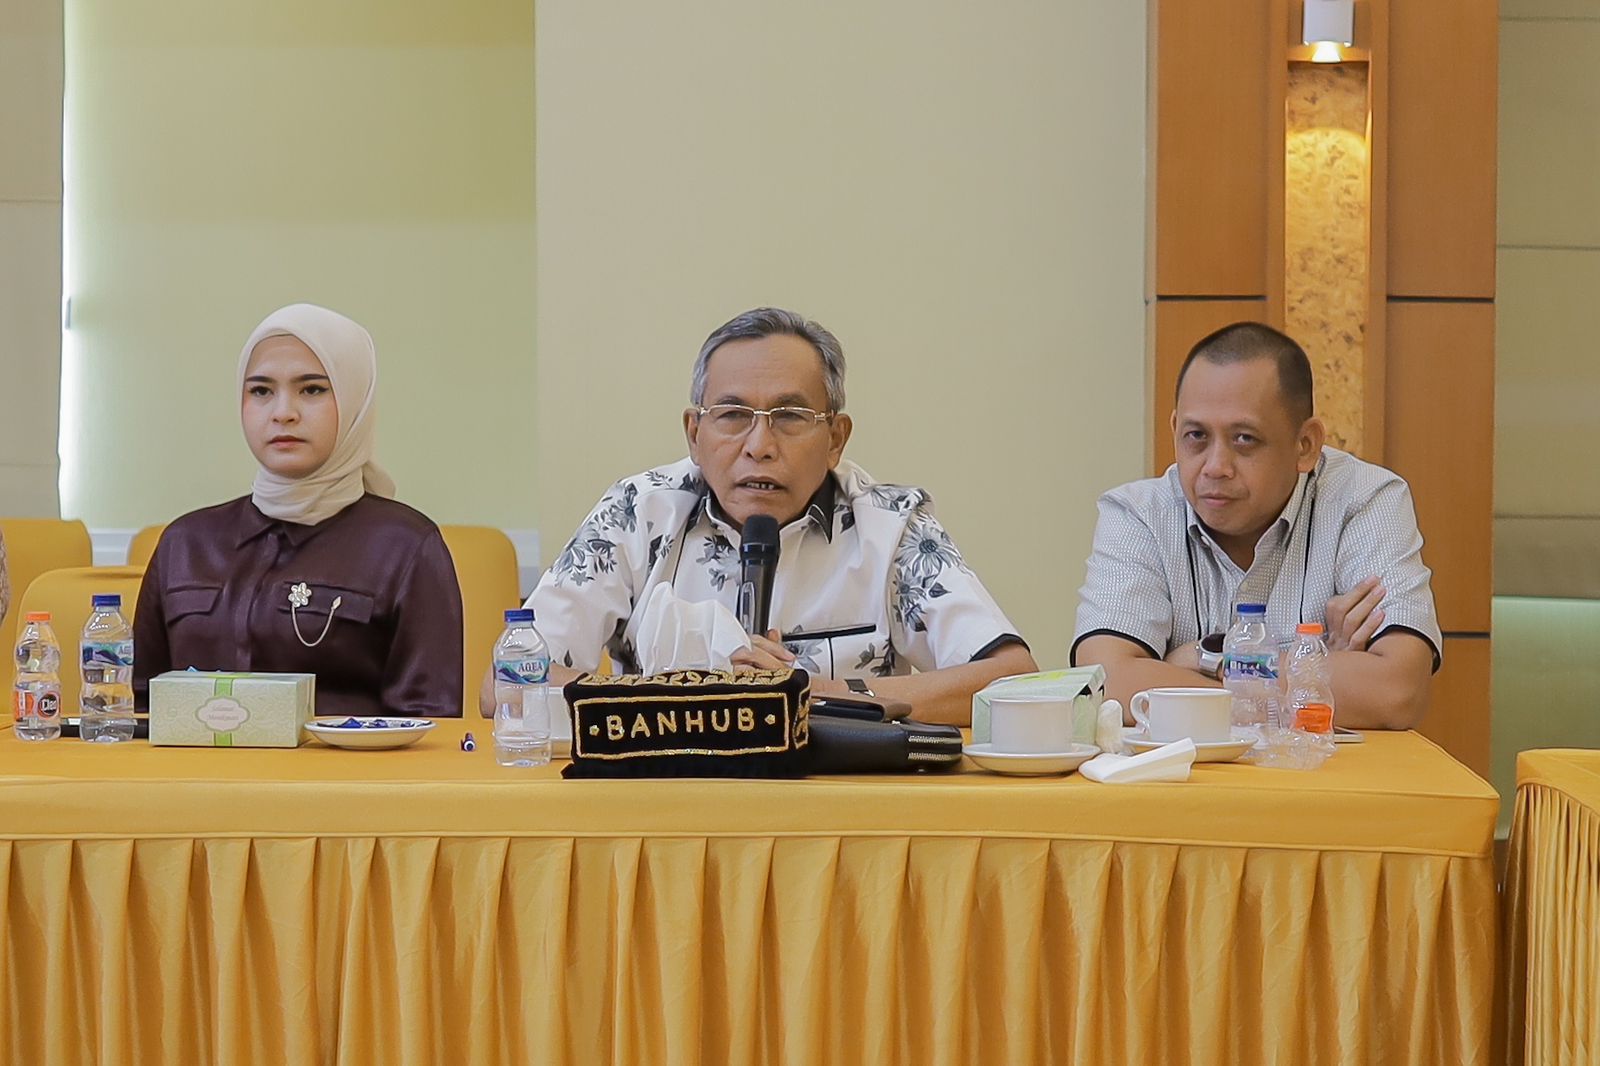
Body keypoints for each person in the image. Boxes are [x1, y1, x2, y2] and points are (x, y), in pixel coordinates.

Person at [483, 307, 1036, 724]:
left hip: (844, 810)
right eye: (732, 415)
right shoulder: (639, 512)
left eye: (790, 416)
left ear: (835, 438)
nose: (759, 446)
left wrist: (815, 693)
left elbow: (1012, 680)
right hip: (667, 804)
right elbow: (506, 680)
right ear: (694, 433)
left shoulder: (891, 526)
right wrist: (680, 697)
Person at [1072, 322, 1440, 729]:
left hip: (1325, 772)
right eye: (1196, 436)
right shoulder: (1138, 515)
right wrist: (1313, 675)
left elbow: (1396, 692)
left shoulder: (1365, 500)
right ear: (1175, 429)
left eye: (1244, 439)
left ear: (1305, 445)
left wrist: (1206, 658)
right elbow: (1106, 685)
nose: (1215, 467)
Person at [134, 303, 463, 716]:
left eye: (312, 390)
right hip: (189, 761)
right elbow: (139, 709)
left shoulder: (405, 547)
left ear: (355, 401)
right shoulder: (186, 543)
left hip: (344, 762)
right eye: (261, 391)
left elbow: (429, 723)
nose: (283, 413)